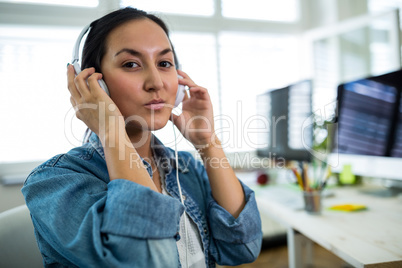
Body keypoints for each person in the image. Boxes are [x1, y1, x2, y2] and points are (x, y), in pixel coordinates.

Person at [22, 7, 262, 268]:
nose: (156, 82)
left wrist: (207, 142)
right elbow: (147, 262)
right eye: (131, 64)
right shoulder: (54, 183)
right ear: (93, 84)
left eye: (164, 63)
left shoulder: (186, 169)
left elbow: (244, 248)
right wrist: (111, 130)